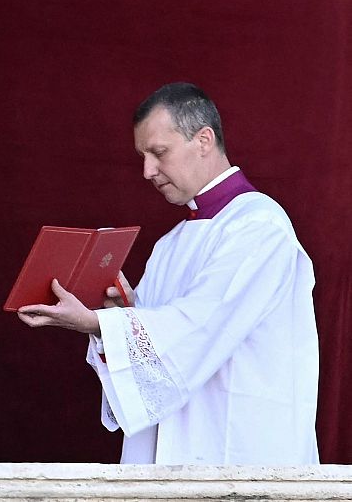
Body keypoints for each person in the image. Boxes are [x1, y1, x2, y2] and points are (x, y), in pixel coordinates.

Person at [18, 82, 319, 465]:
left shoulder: (258, 226)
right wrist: (120, 311)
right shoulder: (172, 242)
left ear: (204, 140)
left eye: (159, 153)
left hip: (237, 444)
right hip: (176, 443)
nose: (147, 171)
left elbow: (199, 327)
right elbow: (161, 350)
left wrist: (99, 325)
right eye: (143, 156)